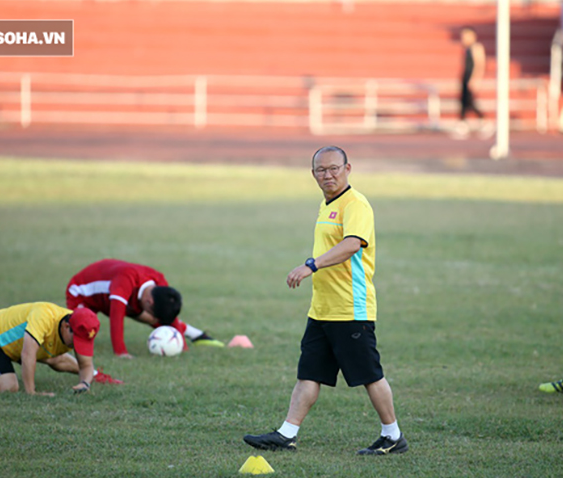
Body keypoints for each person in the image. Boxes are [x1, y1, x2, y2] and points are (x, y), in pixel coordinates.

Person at [243, 146, 407, 455]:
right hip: (322, 309)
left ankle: (393, 435)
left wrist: (311, 265)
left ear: (348, 168)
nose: (328, 174)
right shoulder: (327, 204)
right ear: (313, 174)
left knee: (369, 375)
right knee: (310, 373)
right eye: (321, 170)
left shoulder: (355, 204)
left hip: (350, 308)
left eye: (334, 168)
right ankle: (287, 433)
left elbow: (352, 244)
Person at [0, 303, 110, 395]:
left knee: (57, 358)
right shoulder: (44, 317)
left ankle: (98, 376)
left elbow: (85, 364)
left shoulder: (82, 325)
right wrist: (31, 392)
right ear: (66, 326)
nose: (76, 345)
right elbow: (28, 355)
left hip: (15, 345)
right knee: (8, 387)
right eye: (76, 340)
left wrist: (85, 383)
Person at [66, 259, 224, 358]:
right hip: (81, 293)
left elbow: (167, 317)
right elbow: (116, 318)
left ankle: (195, 335)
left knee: (157, 319)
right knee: (79, 334)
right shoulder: (126, 280)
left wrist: (182, 346)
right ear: (149, 302)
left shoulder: (159, 281)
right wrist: (121, 352)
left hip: (116, 298)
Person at [459, 27, 485, 122]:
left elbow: (480, 64)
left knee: (469, 102)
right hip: (466, 77)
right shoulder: (467, 48)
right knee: (463, 101)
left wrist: (476, 79)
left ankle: (483, 119)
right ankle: (462, 122)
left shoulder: (476, 47)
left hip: (471, 78)